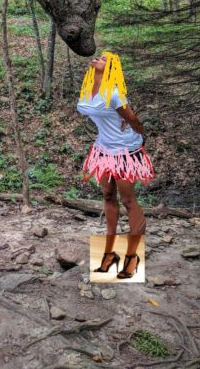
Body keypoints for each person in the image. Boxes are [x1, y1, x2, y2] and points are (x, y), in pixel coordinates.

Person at [77, 51, 155, 279]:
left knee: (129, 200)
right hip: (103, 148)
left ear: (110, 67)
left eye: (103, 59)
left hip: (125, 150)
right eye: (97, 57)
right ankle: (110, 252)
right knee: (108, 196)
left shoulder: (113, 93)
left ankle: (132, 257)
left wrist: (140, 134)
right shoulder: (89, 89)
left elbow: (131, 118)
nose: (96, 59)